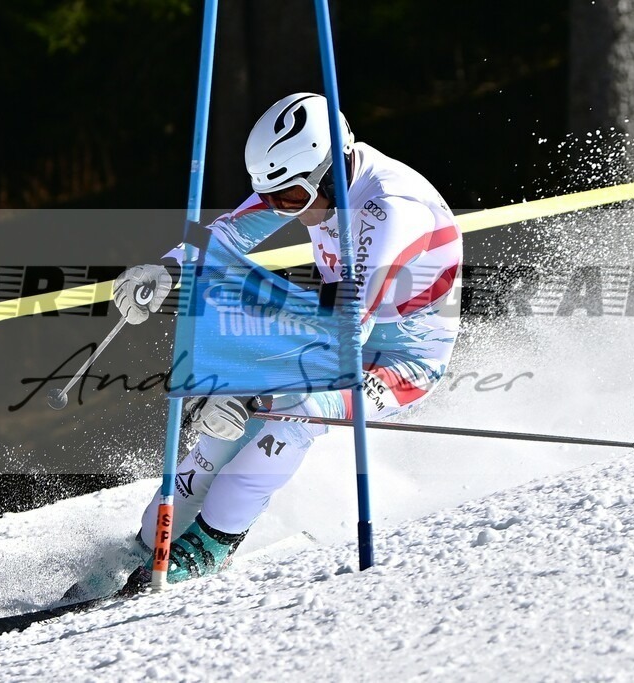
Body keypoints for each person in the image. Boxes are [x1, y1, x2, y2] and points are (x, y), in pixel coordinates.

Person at [106, 92, 462, 595]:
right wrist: (168, 270)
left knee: (294, 413)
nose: (284, 213)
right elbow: (226, 235)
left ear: (330, 166)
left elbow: (344, 338)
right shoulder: (313, 181)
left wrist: (254, 395)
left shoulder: (390, 212)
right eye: (274, 199)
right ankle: (149, 542)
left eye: (292, 199)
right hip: (334, 330)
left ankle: (211, 543)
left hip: (399, 362)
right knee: (222, 429)